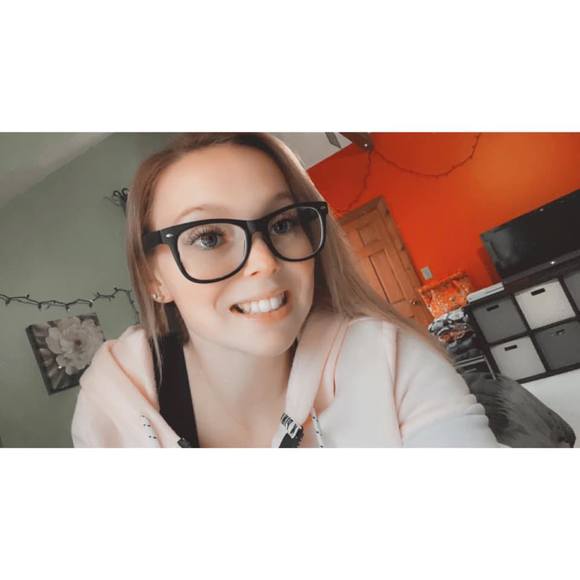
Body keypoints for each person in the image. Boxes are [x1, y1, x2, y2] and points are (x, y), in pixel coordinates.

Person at [71, 133, 500, 448]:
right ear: (154, 278)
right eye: (208, 237)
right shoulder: (114, 401)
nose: (265, 262)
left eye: (282, 224)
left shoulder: (391, 359)